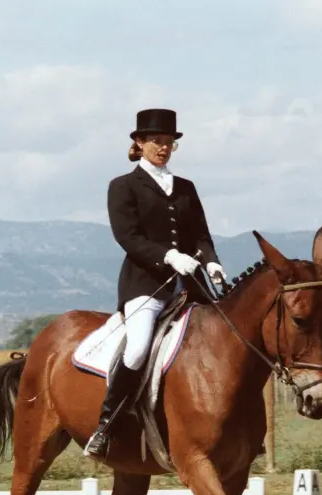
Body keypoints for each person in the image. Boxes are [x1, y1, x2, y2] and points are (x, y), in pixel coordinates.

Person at [84, 108, 227, 459]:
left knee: (226, 340)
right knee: (137, 348)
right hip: (145, 285)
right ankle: (107, 424)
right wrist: (169, 256)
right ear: (139, 143)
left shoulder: (186, 188)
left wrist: (212, 263)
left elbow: (201, 235)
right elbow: (128, 237)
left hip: (189, 285)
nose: (163, 148)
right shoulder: (123, 186)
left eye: (169, 143)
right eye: (156, 142)